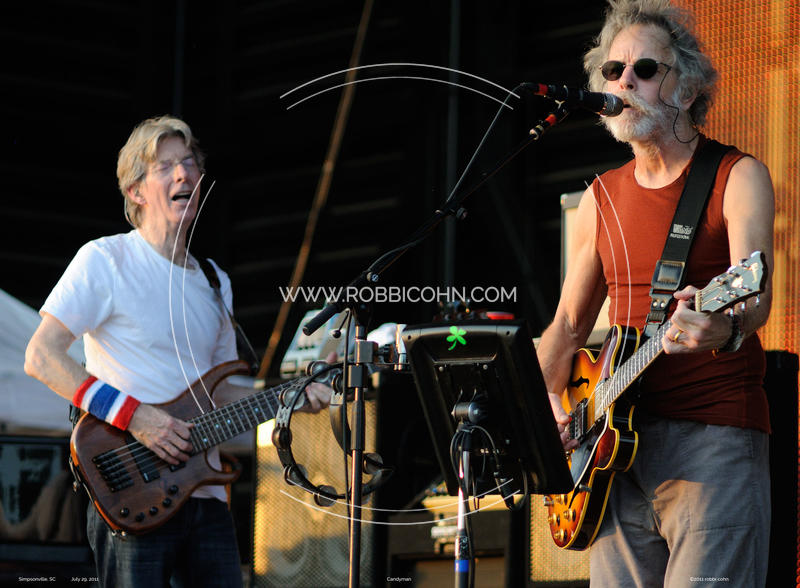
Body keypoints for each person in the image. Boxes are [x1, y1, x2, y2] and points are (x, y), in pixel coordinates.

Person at [24, 115, 332, 587]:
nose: (184, 174)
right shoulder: (106, 260)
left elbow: (225, 392)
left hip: (205, 494)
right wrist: (139, 419)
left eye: (189, 162)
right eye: (165, 166)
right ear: (136, 191)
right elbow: (42, 358)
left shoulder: (214, 281)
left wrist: (293, 395)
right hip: (134, 486)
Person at [537, 1, 774, 586]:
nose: (624, 82)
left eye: (645, 69)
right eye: (613, 71)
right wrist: (550, 418)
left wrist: (723, 327)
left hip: (711, 441)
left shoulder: (737, 175)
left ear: (688, 89)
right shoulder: (600, 197)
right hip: (610, 456)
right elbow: (568, 326)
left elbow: (754, 296)